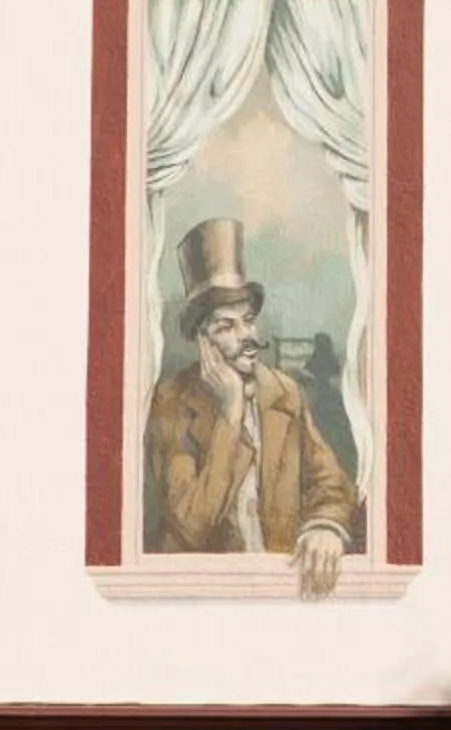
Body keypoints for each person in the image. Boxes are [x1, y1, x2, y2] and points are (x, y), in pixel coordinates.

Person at [144, 216, 359, 598]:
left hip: (283, 585)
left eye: (248, 321)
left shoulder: (283, 392)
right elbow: (193, 525)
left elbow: (330, 481)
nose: (246, 336)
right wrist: (231, 414)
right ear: (203, 342)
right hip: (203, 596)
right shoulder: (171, 403)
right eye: (226, 327)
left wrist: (325, 526)